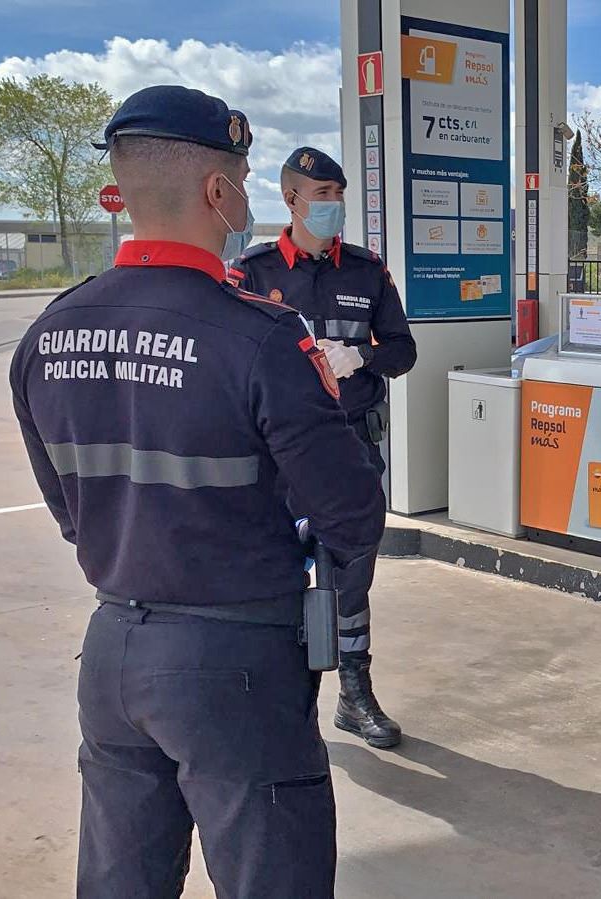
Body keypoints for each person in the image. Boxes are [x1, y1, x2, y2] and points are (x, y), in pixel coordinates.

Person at [10, 85, 386, 898]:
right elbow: (353, 511)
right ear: (218, 193)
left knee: (119, 880)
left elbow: (71, 511)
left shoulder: (50, 332)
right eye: (243, 178)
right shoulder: (259, 334)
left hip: (114, 648)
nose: (245, 197)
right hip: (237, 659)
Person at [228, 146, 416, 749]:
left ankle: (354, 695)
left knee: (352, 575)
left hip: (351, 449)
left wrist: (361, 354)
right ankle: (277, 700)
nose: (335, 207)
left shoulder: (366, 271)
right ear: (291, 200)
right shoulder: (254, 274)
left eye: (339, 195)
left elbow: (404, 350)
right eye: (323, 196)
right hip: (277, 459)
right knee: (271, 573)